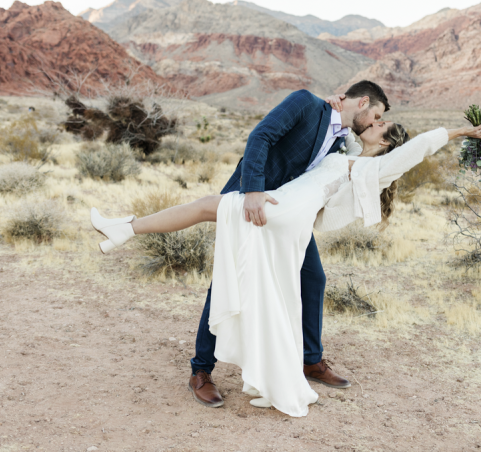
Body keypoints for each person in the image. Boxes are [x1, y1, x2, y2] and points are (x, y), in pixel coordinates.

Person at [91, 112, 481, 417]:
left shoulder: (371, 167)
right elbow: (329, 129)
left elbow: (417, 148)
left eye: (383, 125)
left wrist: (461, 132)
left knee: (205, 208)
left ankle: (126, 228)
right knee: (261, 277)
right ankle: (270, 372)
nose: (376, 122)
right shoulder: (346, 151)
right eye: (378, 116)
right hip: (286, 210)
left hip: (281, 212)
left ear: (385, 143)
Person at [96, 81, 390, 410]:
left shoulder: (342, 139)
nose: (375, 121)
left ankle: (310, 360)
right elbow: (260, 136)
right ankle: (201, 372)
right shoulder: (307, 103)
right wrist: (252, 189)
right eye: (375, 114)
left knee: (313, 278)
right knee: (227, 281)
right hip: (250, 201)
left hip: (284, 219)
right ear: (362, 101)